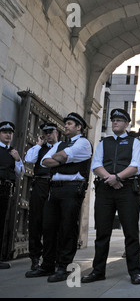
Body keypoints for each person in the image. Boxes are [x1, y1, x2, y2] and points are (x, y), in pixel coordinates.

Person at [25, 112, 92, 282]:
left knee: (67, 229)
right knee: (48, 228)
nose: (66, 126)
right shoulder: (61, 143)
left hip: (72, 189)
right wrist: (61, 159)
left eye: (70, 123)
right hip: (54, 189)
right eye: (66, 123)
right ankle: (47, 265)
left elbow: (60, 157)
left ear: (79, 127)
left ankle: (64, 267)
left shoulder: (84, 143)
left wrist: (60, 158)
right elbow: (44, 162)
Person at [82, 109, 140, 285]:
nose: (115, 122)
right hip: (105, 190)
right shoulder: (104, 142)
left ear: (127, 124)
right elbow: (96, 165)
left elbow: (135, 166)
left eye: (119, 120)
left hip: (128, 190)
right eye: (113, 120)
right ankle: (98, 271)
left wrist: (117, 177)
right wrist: (110, 179)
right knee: (102, 233)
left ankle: (135, 272)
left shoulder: (135, 143)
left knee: (131, 233)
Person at [24, 122, 59, 270]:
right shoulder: (40, 149)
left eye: (51, 132)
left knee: (53, 223)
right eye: (46, 133)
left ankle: (51, 256)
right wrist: (38, 144)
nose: (48, 135)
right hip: (40, 185)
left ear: (57, 132)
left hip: (55, 185)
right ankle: (35, 257)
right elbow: (29, 160)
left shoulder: (62, 147)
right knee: (36, 221)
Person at [0, 121, 24, 269]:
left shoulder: (14, 152)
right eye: (4, 132)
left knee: (1, 224)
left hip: (5, 190)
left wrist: (17, 159)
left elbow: (20, 173)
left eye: (10, 132)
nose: (8, 135)